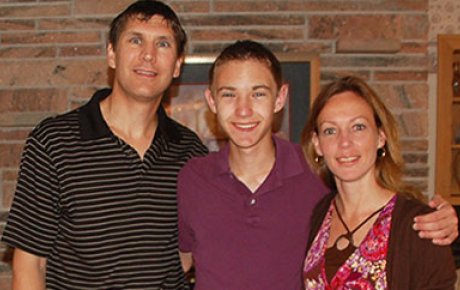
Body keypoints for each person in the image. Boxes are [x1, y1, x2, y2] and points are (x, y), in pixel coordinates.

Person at [177, 40, 458, 290]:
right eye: (229, 94)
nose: (244, 110)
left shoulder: (315, 174)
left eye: (258, 93)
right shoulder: (193, 178)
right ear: (212, 101)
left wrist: (443, 218)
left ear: (280, 98)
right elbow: (179, 260)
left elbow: (388, 210)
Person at [1, 1, 207, 289]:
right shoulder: (54, 141)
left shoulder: (191, 151)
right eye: (135, 40)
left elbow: (185, 256)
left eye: (162, 44)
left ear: (177, 65)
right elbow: (29, 263)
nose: (148, 55)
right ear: (111, 53)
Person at [301, 76, 457, 289]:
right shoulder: (320, 213)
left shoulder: (420, 226)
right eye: (330, 130)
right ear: (318, 144)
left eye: (358, 127)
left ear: (380, 137)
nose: (344, 142)